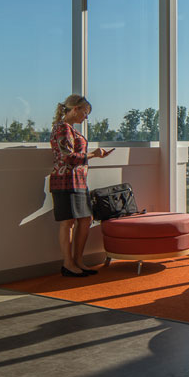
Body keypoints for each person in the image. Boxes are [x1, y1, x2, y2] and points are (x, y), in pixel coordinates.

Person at [50, 95, 113, 277]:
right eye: (85, 113)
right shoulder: (62, 128)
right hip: (64, 181)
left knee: (85, 219)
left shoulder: (71, 129)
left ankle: (78, 260)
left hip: (78, 181)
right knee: (68, 222)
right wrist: (93, 155)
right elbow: (67, 157)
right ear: (75, 109)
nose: (86, 117)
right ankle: (68, 263)